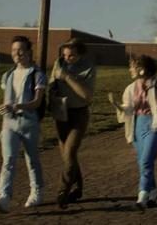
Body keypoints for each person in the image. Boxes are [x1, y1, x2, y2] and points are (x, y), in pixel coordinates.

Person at [0, 35, 47, 213]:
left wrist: (16, 106)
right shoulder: (8, 75)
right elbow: (7, 96)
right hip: (9, 124)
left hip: (29, 123)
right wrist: (6, 107)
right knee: (9, 160)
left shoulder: (38, 75)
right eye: (14, 50)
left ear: (29, 52)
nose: (17, 54)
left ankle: (36, 191)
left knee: (32, 160)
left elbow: (36, 102)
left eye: (21, 50)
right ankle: (3, 197)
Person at [108, 55, 157, 211]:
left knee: (145, 161)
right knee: (144, 161)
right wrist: (117, 105)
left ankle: (142, 197)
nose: (130, 69)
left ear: (142, 69)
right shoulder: (131, 88)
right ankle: (153, 193)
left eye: (133, 66)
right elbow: (128, 109)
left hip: (154, 125)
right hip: (137, 125)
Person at [49, 38, 97, 209]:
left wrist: (67, 77)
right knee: (67, 157)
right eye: (65, 55)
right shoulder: (59, 62)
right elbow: (51, 81)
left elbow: (87, 96)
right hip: (61, 112)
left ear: (80, 54)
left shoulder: (89, 68)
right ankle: (78, 188)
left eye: (71, 56)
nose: (67, 58)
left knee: (69, 153)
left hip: (79, 114)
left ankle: (63, 191)